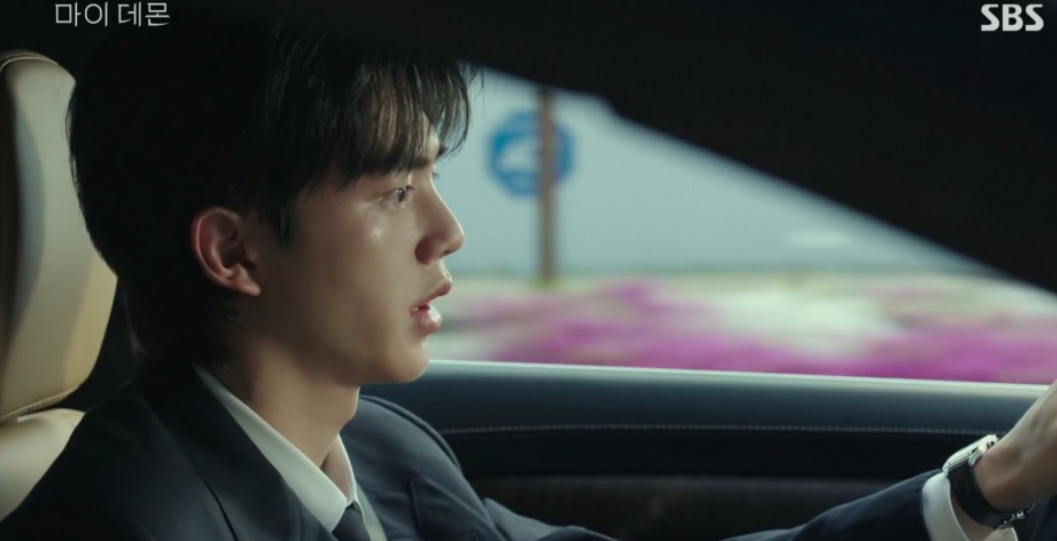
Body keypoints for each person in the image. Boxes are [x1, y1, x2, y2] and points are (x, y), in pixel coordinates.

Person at [2, 7, 1057, 541]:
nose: (448, 231)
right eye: (393, 192)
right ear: (234, 252)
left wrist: (985, 485)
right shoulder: (122, 522)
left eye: (433, 178)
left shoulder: (378, 448)